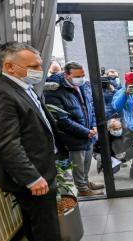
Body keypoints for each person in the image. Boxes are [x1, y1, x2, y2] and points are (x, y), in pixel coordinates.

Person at [0, 42, 95, 241]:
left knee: (38, 223)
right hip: (32, 174)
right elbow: (7, 143)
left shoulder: (23, 87)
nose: (39, 69)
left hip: (41, 167)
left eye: (40, 64)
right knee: (44, 224)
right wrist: (32, 178)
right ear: (10, 67)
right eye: (32, 65)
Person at [45, 61, 103, 197]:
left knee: (87, 162)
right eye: (78, 76)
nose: (81, 78)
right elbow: (62, 120)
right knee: (79, 165)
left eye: (82, 75)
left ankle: (86, 182)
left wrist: (93, 125)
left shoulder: (83, 86)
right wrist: (85, 132)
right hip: (74, 137)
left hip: (89, 133)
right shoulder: (54, 91)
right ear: (66, 75)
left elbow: (90, 108)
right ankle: (82, 189)